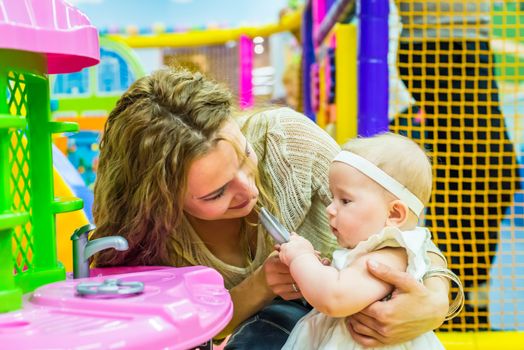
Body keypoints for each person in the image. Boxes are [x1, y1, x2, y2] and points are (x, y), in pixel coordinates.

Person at [91, 67, 451, 349]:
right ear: (161, 203)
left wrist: (435, 299)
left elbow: (401, 229)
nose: (248, 191)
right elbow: (183, 334)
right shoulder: (148, 241)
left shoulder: (286, 142)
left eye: (245, 156)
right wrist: (260, 286)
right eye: (216, 193)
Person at [391, 0, 521, 329]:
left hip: (467, 39)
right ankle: (453, 303)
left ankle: (461, 305)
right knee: (486, 170)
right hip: (438, 42)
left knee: (462, 173)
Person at [279, 133, 464, 349]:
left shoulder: (389, 254)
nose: (329, 209)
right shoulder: (375, 251)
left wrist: (301, 257)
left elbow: (334, 297)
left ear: (394, 214)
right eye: (332, 197)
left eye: (345, 200)